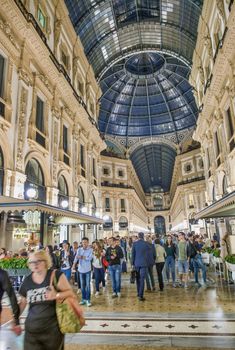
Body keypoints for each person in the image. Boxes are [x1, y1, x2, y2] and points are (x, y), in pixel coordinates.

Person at [19, 250, 80, 350]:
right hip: (31, 331)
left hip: (52, 331)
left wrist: (56, 295)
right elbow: (22, 303)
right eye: (32, 262)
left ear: (46, 262)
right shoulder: (27, 280)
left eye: (38, 261)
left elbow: (70, 293)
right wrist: (14, 320)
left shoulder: (56, 275)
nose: (35, 264)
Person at [72, 237, 93, 306]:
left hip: (87, 270)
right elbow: (76, 258)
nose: (84, 244)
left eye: (85, 242)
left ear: (88, 242)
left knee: (87, 286)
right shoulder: (79, 249)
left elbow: (89, 258)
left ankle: (88, 300)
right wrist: (74, 265)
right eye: (83, 242)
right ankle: (83, 299)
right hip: (80, 270)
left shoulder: (90, 250)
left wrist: (82, 257)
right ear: (82, 243)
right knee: (82, 286)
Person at [0, 268, 21, 335]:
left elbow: (12, 296)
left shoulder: (2, 274)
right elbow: (12, 296)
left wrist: (16, 321)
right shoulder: (2, 274)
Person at [131, 232, 149, 301]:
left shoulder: (135, 244)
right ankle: (141, 295)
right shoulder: (146, 244)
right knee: (142, 279)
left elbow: (133, 255)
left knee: (137, 279)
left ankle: (138, 293)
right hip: (144, 264)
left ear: (138, 236)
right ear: (143, 236)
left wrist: (132, 264)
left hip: (136, 264)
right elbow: (148, 255)